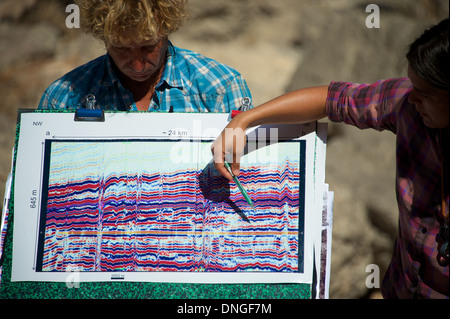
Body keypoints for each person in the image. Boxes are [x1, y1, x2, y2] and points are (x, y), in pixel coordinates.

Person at [211, 19, 449, 298]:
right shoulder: (405, 102)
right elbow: (331, 99)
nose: (413, 99)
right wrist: (244, 122)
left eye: (425, 94)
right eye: (413, 88)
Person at [38, 0, 252, 112]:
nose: (138, 66)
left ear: (167, 28)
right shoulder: (62, 99)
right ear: (103, 38)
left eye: (148, 47)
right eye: (122, 49)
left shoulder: (221, 88)